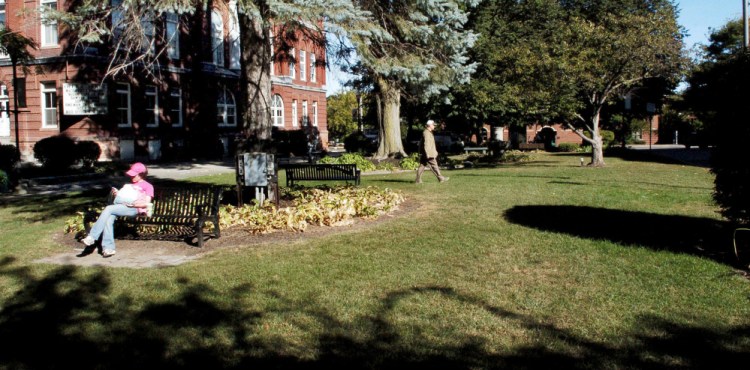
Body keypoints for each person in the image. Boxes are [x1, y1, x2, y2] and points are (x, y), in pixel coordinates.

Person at [80, 162, 154, 257]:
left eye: (134, 175)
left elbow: (146, 203)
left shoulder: (148, 186)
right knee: (108, 218)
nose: (131, 177)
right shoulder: (130, 184)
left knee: (108, 209)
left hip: (135, 209)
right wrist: (117, 194)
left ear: (142, 174)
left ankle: (92, 237)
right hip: (122, 206)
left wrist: (134, 205)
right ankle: (109, 249)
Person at [415, 120, 449, 184]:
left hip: (426, 153)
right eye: (433, 125)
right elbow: (426, 144)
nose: (434, 126)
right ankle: (441, 178)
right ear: (429, 125)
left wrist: (435, 151)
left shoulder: (428, 132)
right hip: (428, 153)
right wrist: (428, 153)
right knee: (434, 165)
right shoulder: (426, 133)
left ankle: (418, 180)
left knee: (422, 165)